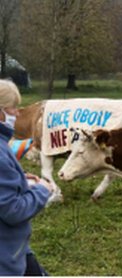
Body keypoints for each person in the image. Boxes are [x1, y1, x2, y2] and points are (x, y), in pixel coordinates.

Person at [0, 79, 53, 275]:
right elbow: (13, 211)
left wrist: (19, 177)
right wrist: (42, 190)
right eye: (13, 108)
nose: (18, 113)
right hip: (7, 256)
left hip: (15, 250)